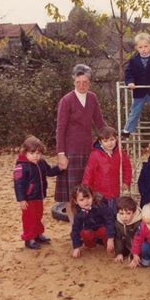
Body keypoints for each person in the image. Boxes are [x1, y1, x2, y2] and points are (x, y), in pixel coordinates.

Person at [56, 64, 107, 223]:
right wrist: (61, 154)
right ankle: (74, 227)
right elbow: (60, 128)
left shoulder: (92, 98)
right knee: (71, 192)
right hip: (70, 152)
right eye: (78, 82)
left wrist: (110, 138)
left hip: (89, 150)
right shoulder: (67, 100)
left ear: (89, 82)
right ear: (74, 81)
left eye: (85, 82)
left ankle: (89, 224)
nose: (82, 85)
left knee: (88, 188)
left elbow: (100, 123)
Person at [13, 135, 63, 250]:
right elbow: (18, 184)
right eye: (32, 153)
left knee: (38, 216)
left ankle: (38, 234)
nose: (36, 156)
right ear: (25, 152)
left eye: (38, 153)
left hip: (39, 196)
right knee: (29, 218)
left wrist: (60, 168)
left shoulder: (41, 163)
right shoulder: (21, 166)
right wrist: (21, 199)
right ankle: (29, 238)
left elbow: (49, 171)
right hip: (28, 198)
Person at [82, 126, 132, 214]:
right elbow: (88, 172)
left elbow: (127, 167)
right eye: (106, 141)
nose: (109, 143)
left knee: (113, 213)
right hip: (99, 193)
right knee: (100, 214)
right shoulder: (95, 155)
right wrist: (85, 188)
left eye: (112, 140)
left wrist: (126, 182)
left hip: (115, 192)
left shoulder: (120, 153)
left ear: (116, 139)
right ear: (100, 142)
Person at [70, 185, 115, 258]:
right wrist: (76, 247)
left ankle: (108, 245)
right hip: (89, 230)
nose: (86, 202)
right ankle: (91, 246)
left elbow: (110, 219)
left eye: (88, 198)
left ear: (92, 196)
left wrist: (111, 238)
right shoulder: (78, 214)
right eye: (82, 200)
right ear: (76, 201)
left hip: (102, 228)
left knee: (103, 231)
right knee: (85, 233)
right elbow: (75, 230)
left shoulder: (100, 206)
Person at [114, 196, 142, 263]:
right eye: (121, 213)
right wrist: (119, 253)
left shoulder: (139, 224)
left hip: (138, 247)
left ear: (134, 212)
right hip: (127, 244)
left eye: (128, 213)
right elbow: (118, 238)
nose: (124, 216)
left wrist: (135, 254)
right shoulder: (118, 222)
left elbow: (139, 241)